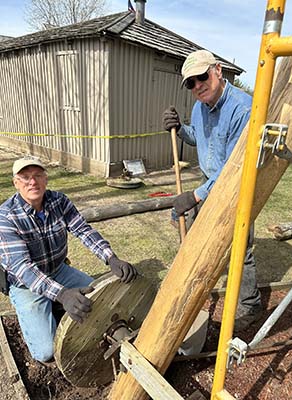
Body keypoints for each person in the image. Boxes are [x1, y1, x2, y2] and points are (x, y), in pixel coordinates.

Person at [0, 155, 137, 363]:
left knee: (101, 300)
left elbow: (82, 230)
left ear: (46, 179)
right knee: (46, 352)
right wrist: (63, 295)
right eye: (25, 177)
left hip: (58, 270)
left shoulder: (59, 201)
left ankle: (55, 303)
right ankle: (52, 306)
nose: (33, 182)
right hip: (25, 285)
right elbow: (23, 268)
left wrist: (111, 259)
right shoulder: (6, 217)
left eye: (37, 175)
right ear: (16, 183)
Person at [162, 50, 262, 331]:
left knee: (239, 249)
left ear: (218, 70)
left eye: (201, 77)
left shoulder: (242, 110)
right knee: (198, 238)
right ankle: (195, 291)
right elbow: (200, 138)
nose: (197, 86)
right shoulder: (200, 106)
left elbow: (235, 169)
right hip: (211, 187)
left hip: (237, 188)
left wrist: (194, 196)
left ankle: (250, 305)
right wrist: (181, 129)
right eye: (190, 83)